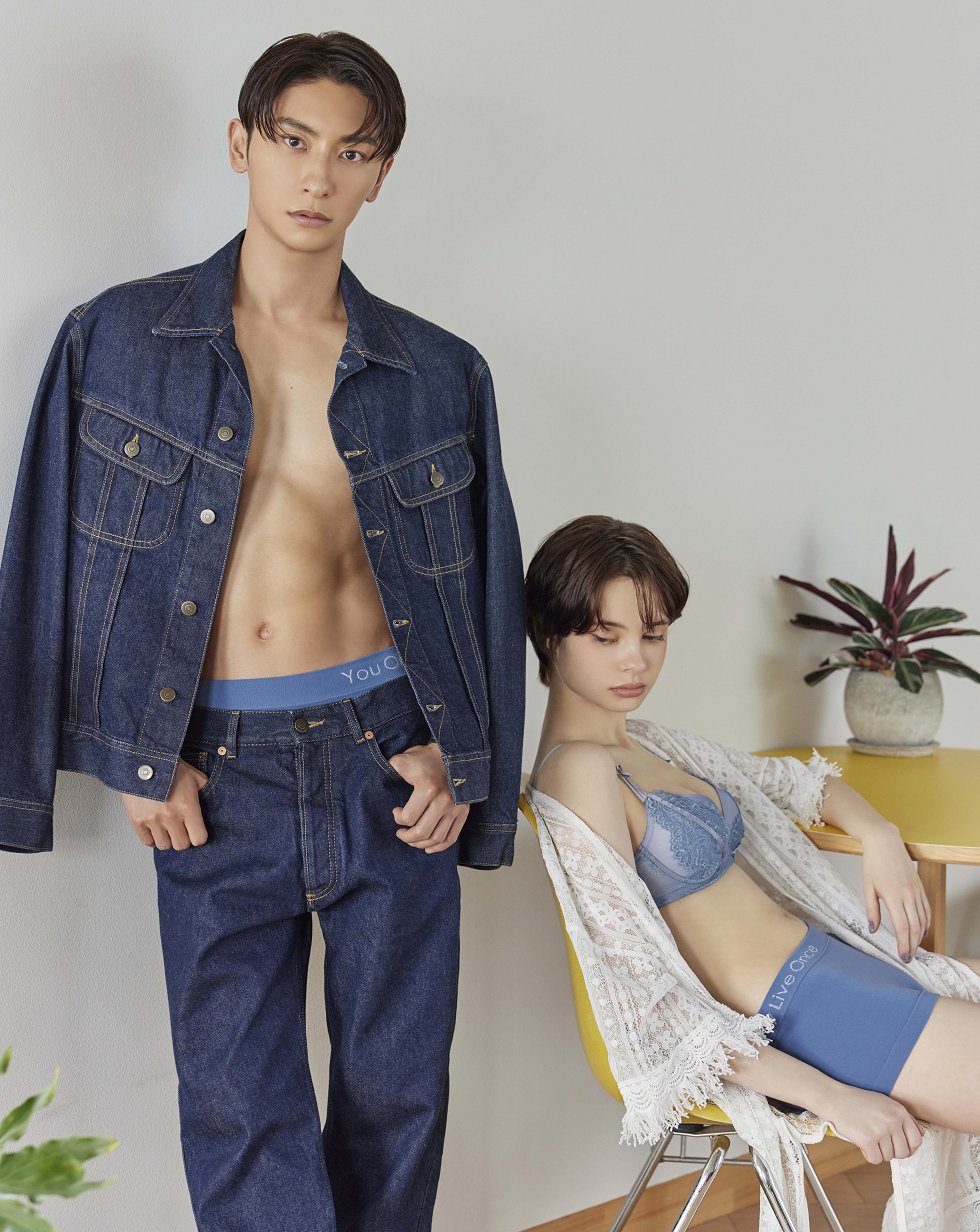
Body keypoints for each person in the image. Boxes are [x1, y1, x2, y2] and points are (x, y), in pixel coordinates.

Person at [0, 31, 524, 1232]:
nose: (315, 176)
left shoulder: (437, 371)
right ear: (240, 144)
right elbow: (49, 555)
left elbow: (479, 591)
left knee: (399, 1092)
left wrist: (463, 760)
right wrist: (133, 754)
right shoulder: (116, 339)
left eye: (351, 152)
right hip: (212, 769)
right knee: (239, 1100)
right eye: (293, 140)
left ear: (379, 174)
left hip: (386, 762)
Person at [524, 515, 980, 1174]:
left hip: (843, 967)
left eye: (653, 634)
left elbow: (799, 784)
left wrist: (880, 837)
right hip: (801, 1015)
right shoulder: (578, 771)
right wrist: (831, 1097)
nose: (636, 660)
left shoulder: (651, 743)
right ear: (550, 635)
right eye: (605, 636)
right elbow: (646, 989)